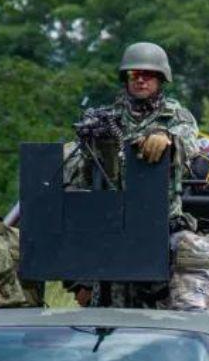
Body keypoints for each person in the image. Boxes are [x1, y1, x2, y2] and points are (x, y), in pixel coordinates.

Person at [73, 42, 200, 231]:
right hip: (107, 217)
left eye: (147, 74)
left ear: (160, 78)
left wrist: (166, 137)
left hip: (160, 220)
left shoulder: (175, 115)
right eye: (134, 74)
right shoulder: (106, 117)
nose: (140, 80)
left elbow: (188, 141)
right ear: (126, 79)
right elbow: (81, 169)